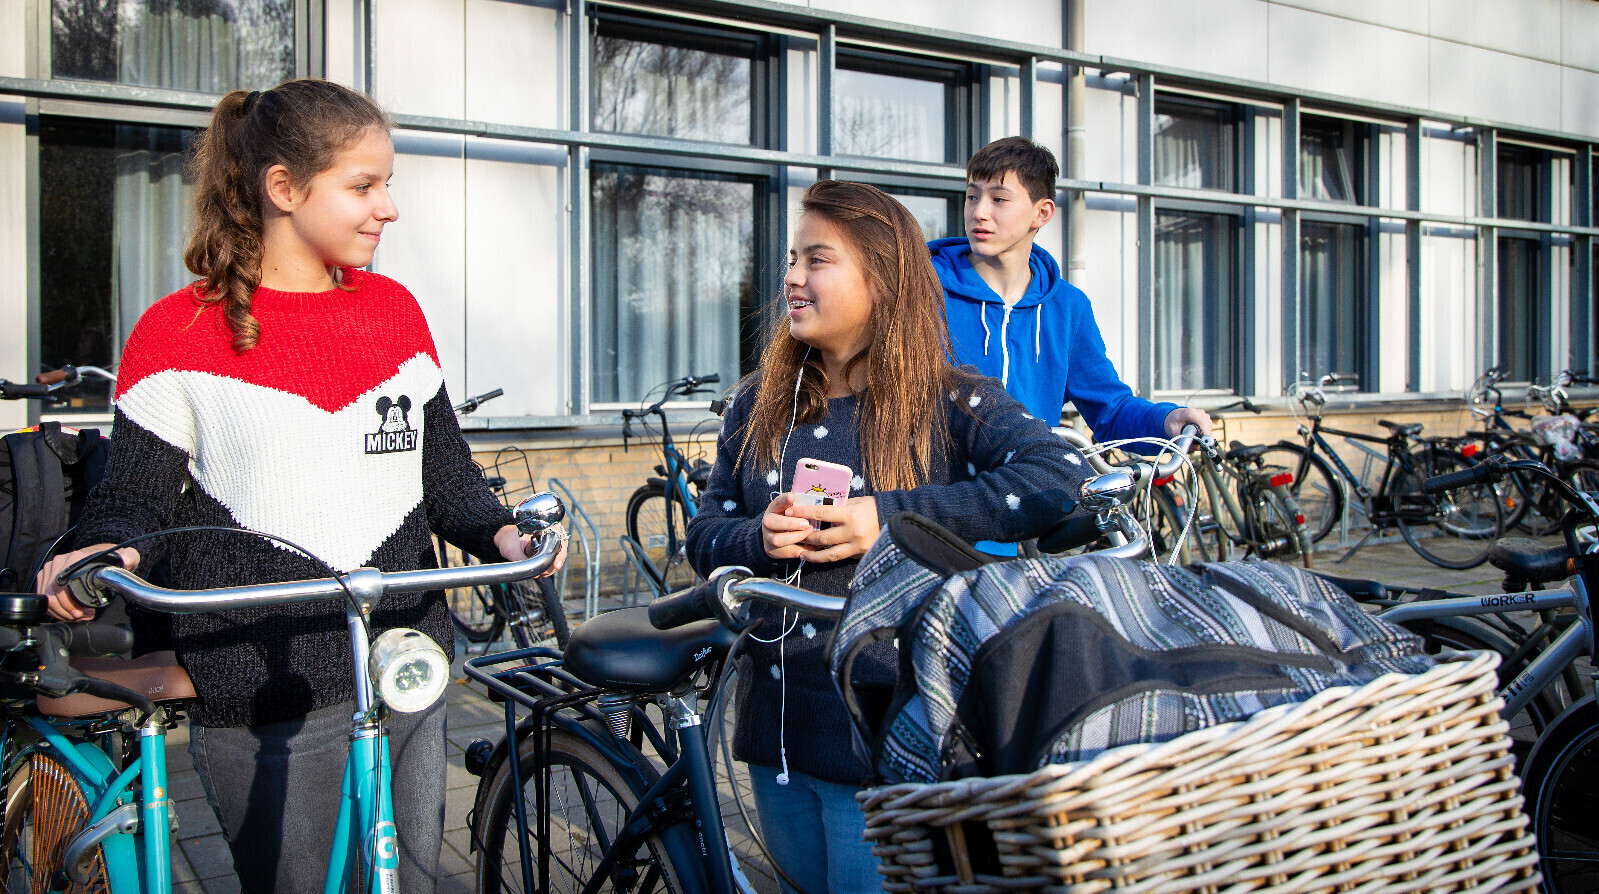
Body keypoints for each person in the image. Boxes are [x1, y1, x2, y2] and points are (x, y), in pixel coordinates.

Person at [34, 79, 564, 894]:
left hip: (402, 658)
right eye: (363, 185)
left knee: (408, 881)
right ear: (282, 188)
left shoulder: (394, 313)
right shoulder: (178, 331)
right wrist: (97, 549)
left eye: (388, 183)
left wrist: (503, 534)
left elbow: (446, 477)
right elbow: (131, 500)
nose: (388, 207)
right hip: (258, 673)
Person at [687, 180, 1090, 893]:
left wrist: (889, 518)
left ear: (881, 279)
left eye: (817, 260)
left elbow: (1056, 473)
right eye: (792, 258)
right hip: (773, 734)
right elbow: (704, 534)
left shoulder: (948, 399)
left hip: (884, 741)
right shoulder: (756, 401)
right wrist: (758, 539)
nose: (791, 278)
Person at [930, 136, 1214, 442]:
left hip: (1028, 482)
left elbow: (1109, 409)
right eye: (972, 196)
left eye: (998, 199)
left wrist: (1165, 419)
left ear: (1042, 213)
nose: (979, 212)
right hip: (937, 486)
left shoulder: (1067, 307)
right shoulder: (924, 288)